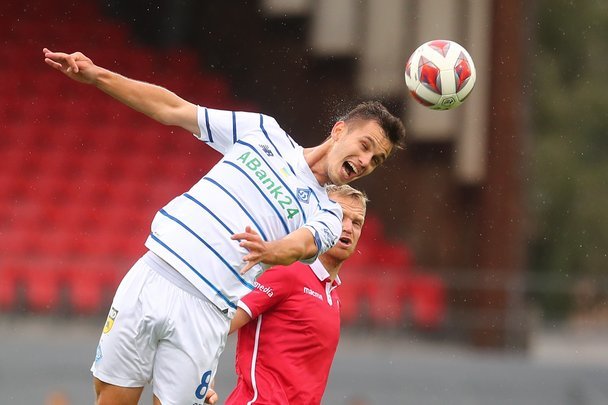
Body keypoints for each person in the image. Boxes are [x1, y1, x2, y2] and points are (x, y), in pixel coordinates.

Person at [42, 48, 405, 405]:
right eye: (365, 146)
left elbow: (302, 245)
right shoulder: (263, 132)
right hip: (153, 273)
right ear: (339, 131)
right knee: (111, 399)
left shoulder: (327, 212)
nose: (365, 161)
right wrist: (97, 76)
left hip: (207, 309)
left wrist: (272, 251)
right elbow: (174, 109)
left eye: (377, 160)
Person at [223, 184, 368, 404]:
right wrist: (203, 377)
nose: (347, 227)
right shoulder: (287, 270)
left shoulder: (331, 294)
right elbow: (220, 325)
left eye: (356, 222)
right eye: (339, 217)